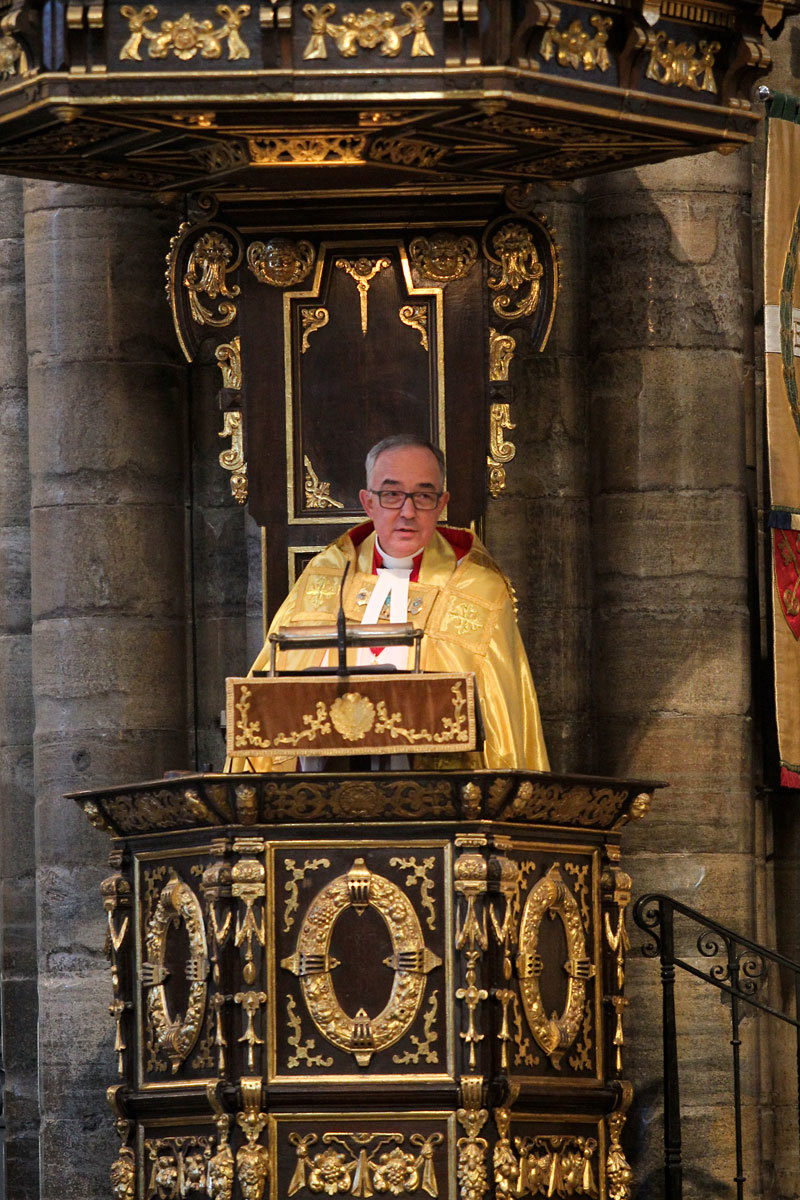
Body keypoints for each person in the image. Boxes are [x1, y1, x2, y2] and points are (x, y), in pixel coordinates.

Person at [226, 434, 549, 772]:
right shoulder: (327, 574)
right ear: (368, 503)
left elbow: (504, 720)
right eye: (392, 495)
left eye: (423, 496)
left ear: (442, 503)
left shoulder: (479, 588)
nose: (408, 512)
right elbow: (271, 699)